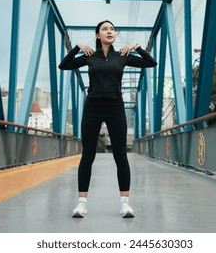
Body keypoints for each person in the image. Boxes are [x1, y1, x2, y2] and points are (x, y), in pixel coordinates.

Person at [58, 20, 157, 218]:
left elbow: (151, 63)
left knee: (120, 155)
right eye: (105, 29)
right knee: (88, 155)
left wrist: (137, 48)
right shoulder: (89, 57)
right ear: (97, 35)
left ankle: (125, 204)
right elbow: (63, 65)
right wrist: (76, 48)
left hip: (115, 107)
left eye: (112, 29)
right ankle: (82, 204)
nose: (109, 31)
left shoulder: (122, 56)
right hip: (92, 107)